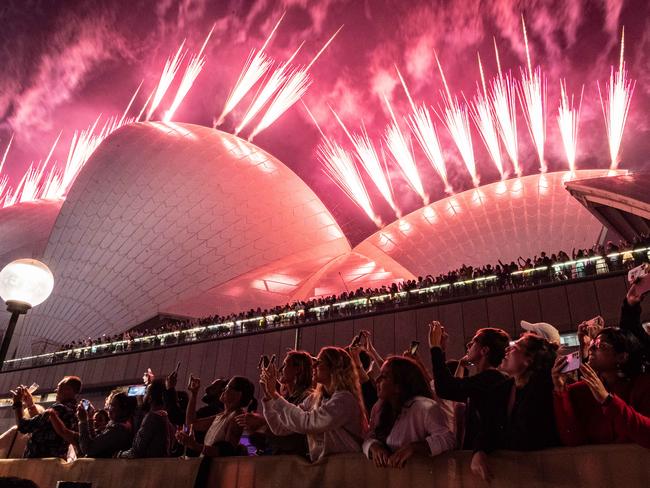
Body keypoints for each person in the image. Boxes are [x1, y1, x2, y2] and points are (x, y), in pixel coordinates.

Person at [428, 322, 511, 483]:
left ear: (484, 350)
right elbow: (450, 387)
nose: (468, 344)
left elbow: (445, 388)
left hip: (488, 465)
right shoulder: (487, 380)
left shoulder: (491, 379)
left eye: (473, 342)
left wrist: (435, 348)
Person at [260, 346, 367, 461]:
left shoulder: (344, 400)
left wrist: (275, 395)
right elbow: (279, 427)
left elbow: (308, 423)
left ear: (334, 368)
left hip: (346, 468)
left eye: (319, 362)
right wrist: (268, 395)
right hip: (326, 468)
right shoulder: (315, 399)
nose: (314, 366)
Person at [553, 326, 650, 448]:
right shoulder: (581, 389)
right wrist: (560, 390)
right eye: (592, 343)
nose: (591, 348)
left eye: (601, 345)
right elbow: (572, 439)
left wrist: (608, 400)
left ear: (622, 357)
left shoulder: (642, 385)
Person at [363, 356, 455, 468]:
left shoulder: (425, 407)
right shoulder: (378, 408)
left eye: (384, 376)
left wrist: (414, 448)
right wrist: (374, 446)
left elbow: (448, 439)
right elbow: (369, 436)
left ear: (399, 386)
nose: (377, 380)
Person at [236, 351, 313, 456]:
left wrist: (262, 422)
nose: (281, 369)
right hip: (278, 457)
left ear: (298, 369)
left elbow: (288, 429)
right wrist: (267, 393)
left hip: (295, 460)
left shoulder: (307, 397)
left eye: (285, 364)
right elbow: (275, 429)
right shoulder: (285, 398)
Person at [499, 333, 559, 450]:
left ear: (529, 360)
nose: (506, 349)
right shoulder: (507, 387)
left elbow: (526, 437)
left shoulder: (541, 390)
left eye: (514, 347)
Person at [176, 375, 254, 457]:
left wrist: (195, 445)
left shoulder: (237, 416)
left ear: (238, 394)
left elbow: (227, 451)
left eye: (228, 387)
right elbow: (191, 423)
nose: (223, 389)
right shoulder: (221, 416)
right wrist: (194, 394)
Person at [11, 376, 81, 458]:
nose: (56, 390)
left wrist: (17, 403)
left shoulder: (58, 409)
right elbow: (43, 425)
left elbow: (23, 426)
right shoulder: (76, 411)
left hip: (38, 464)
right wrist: (30, 404)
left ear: (68, 390)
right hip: (55, 463)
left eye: (59, 387)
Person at [117, 378, 175, 458]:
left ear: (150, 397)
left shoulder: (152, 418)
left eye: (146, 393)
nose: (143, 396)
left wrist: (119, 455)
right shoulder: (166, 417)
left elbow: (136, 450)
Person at [78, 391, 136, 457]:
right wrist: (90, 418)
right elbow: (96, 441)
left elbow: (88, 449)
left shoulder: (116, 430)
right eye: (110, 404)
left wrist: (82, 421)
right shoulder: (123, 425)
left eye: (113, 405)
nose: (109, 408)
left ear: (124, 410)